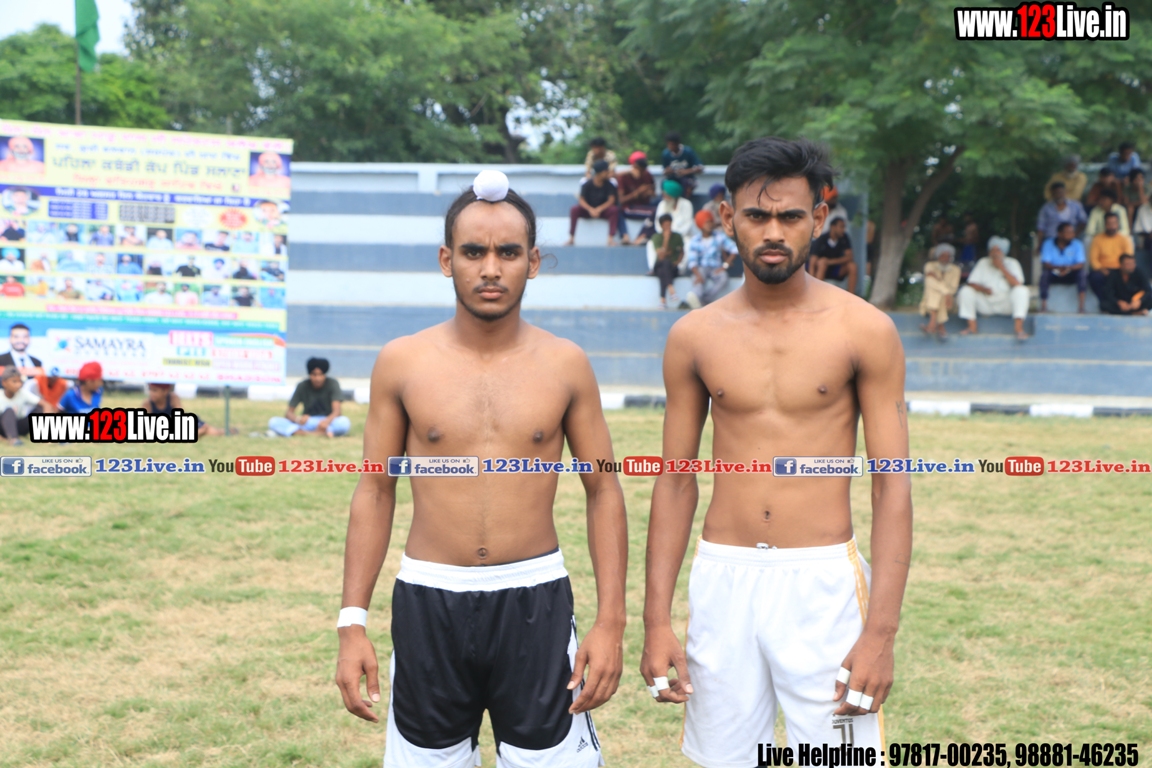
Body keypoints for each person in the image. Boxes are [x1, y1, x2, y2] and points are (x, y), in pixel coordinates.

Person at [335, 171, 625, 768]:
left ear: (533, 262)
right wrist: (351, 623)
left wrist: (611, 623)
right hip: (429, 598)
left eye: (508, 253)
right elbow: (376, 489)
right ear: (447, 260)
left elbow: (603, 489)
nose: (490, 269)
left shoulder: (566, 364)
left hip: (536, 600)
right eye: (473, 252)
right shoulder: (402, 362)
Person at [641, 137, 911, 765]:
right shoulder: (693, 336)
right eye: (756, 215)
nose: (772, 232)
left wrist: (881, 633)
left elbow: (892, 484)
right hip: (723, 576)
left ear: (818, 218)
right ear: (727, 217)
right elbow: (675, 481)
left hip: (822, 581)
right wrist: (656, 620)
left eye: (789, 216)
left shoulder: (865, 330)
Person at [957, 236, 1030, 339]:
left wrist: (1001, 267)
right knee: (965, 291)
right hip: (985, 304)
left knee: (1022, 291)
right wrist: (984, 289)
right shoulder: (983, 262)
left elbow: (1017, 284)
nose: (995, 253)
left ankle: (1019, 329)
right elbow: (971, 283)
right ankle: (972, 327)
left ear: (1004, 252)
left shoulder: (1013, 263)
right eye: (992, 250)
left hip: (1006, 305)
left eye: (998, 250)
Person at [267, 357, 351, 438]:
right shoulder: (302, 386)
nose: (317, 378)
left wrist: (326, 422)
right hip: (308, 422)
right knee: (273, 421)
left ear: (325, 375)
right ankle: (319, 434)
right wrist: (298, 419)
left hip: (327, 422)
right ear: (309, 374)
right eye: (314, 374)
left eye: (320, 374)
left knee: (344, 422)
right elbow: (288, 413)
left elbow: (337, 411)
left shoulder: (333, 384)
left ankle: (299, 433)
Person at [684, 210, 738, 308]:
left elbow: (734, 249)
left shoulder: (719, 236)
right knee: (698, 281)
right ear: (700, 224)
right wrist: (698, 275)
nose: (709, 225)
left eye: (710, 222)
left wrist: (725, 265)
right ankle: (694, 297)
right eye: (706, 222)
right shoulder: (695, 240)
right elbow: (692, 262)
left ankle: (704, 301)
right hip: (701, 268)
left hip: (715, 268)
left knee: (723, 278)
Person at [565, 159, 620, 247]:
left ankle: (610, 239)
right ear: (600, 172)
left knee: (614, 210)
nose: (608, 173)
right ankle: (571, 238)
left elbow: (611, 200)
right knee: (574, 209)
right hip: (589, 211)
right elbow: (581, 200)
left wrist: (599, 209)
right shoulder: (587, 184)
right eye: (606, 171)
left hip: (602, 211)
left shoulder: (609, 184)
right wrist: (590, 209)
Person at [142, 382, 226, 435]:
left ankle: (227, 432)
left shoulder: (173, 398)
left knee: (213, 432)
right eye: (150, 390)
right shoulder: (147, 404)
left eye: (155, 390)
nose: (151, 393)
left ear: (165, 391)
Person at [1038, 222, 1088, 313]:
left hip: (1070, 272)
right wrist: (1058, 268)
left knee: (1082, 274)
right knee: (1045, 275)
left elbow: (1080, 264)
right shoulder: (1048, 243)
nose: (1071, 235)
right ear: (1059, 233)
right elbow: (1046, 263)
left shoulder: (1077, 244)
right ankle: (1043, 306)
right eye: (1068, 232)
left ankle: (1081, 308)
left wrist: (1068, 268)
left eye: (1072, 232)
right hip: (1054, 271)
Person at [1087, 212, 1135, 302]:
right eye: (1109, 223)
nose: (1112, 226)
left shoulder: (1124, 239)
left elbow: (1128, 258)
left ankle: (1126, 302)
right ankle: (1104, 301)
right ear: (1105, 224)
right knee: (1094, 277)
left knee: (1133, 275)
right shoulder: (1097, 239)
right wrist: (1103, 270)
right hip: (1104, 270)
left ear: (1118, 224)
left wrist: (1121, 270)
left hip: (1120, 269)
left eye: (1114, 223)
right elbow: (1093, 260)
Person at [919, 243, 961, 339]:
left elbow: (953, 289)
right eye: (943, 256)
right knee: (930, 281)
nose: (945, 259)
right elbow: (929, 279)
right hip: (930, 302)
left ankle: (932, 324)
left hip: (948, 303)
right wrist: (946, 292)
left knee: (938, 292)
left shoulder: (956, 270)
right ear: (938, 256)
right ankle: (941, 327)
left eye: (948, 256)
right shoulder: (930, 265)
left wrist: (938, 281)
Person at [617, 151, 658, 245]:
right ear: (634, 167)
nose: (642, 173)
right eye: (640, 170)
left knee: (661, 205)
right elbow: (621, 201)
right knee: (655, 212)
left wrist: (648, 193)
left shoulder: (647, 175)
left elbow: (654, 193)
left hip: (645, 205)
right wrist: (638, 192)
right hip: (629, 207)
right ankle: (641, 236)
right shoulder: (624, 177)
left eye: (644, 170)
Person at [809, 216, 858, 293]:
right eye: (841, 227)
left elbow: (849, 257)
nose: (843, 229)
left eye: (844, 227)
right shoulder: (822, 239)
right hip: (821, 269)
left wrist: (830, 262)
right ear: (833, 227)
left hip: (836, 269)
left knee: (852, 266)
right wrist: (810, 280)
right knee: (822, 263)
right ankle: (817, 292)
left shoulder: (844, 238)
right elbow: (813, 261)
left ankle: (851, 294)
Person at [0, 365, 45, 445]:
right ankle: (13, 439)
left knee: (39, 409)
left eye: (20, 381)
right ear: (4, 383)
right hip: (2, 429)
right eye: (14, 381)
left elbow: (45, 404)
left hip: (18, 427)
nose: (18, 385)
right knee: (9, 411)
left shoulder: (22, 393)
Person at [650, 213, 684, 308]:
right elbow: (661, 256)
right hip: (659, 264)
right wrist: (666, 239)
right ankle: (671, 289)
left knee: (663, 272)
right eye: (665, 225)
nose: (668, 227)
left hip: (672, 267)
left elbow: (682, 252)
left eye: (669, 224)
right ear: (661, 226)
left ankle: (662, 300)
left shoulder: (677, 236)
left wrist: (678, 262)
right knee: (664, 262)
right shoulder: (656, 237)